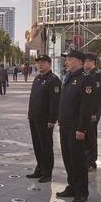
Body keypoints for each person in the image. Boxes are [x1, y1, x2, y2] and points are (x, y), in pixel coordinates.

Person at [56, 50, 94, 202]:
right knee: (68, 158)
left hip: (76, 127)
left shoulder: (86, 79)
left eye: (70, 59)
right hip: (65, 125)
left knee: (78, 160)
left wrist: (81, 128)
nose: (67, 62)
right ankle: (72, 186)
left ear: (79, 61)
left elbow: (86, 107)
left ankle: (82, 191)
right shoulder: (69, 78)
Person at [26, 55, 61, 183]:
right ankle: (39, 169)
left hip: (45, 120)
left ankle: (47, 172)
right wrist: (30, 114)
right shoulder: (37, 78)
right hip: (34, 117)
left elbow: (55, 102)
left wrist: (52, 119)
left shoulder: (54, 80)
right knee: (37, 145)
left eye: (43, 63)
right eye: (39, 63)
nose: (40, 65)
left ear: (49, 64)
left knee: (46, 146)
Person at [84, 53, 101, 171]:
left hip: (93, 112)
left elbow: (96, 96)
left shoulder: (97, 77)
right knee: (86, 136)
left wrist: (94, 113)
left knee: (91, 136)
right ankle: (86, 159)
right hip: (86, 111)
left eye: (86, 61)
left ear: (92, 62)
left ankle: (91, 162)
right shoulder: (86, 75)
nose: (84, 63)